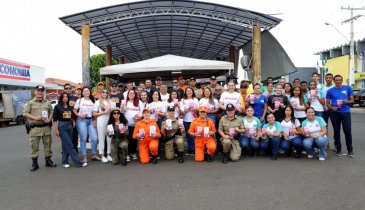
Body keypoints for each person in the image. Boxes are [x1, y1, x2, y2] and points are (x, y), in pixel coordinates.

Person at [23, 85, 56, 171]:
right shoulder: (30, 102)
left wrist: (49, 118)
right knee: (34, 146)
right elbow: (25, 113)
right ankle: (35, 163)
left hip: (46, 127)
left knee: (48, 145)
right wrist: (35, 118)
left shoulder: (47, 102)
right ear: (35, 92)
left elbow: (51, 111)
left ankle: (48, 161)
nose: (40, 92)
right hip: (35, 128)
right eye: (38, 90)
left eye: (41, 91)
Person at [53, 92, 87, 168]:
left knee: (65, 145)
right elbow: (54, 119)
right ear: (61, 98)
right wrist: (56, 129)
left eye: (66, 97)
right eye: (64, 96)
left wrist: (73, 120)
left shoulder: (69, 106)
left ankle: (64, 161)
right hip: (62, 126)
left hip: (69, 126)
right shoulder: (57, 107)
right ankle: (78, 163)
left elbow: (69, 115)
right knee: (69, 145)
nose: (65, 98)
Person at [326, 75, 354, 157]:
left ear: (342, 80)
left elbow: (352, 100)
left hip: (345, 112)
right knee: (336, 131)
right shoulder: (330, 91)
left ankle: (350, 150)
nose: (338, 81)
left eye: (339, 80)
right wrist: (332, 107)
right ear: (334, 81)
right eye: (336, 80)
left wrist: (347, 101)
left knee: (347, 131)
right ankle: (338, 149)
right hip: (334, 113)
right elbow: (327, 103)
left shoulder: (348, 88)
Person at [73, 87, 99, 163]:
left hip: (91, 120)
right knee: (83, 138)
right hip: (81, 121)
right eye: (84, 91)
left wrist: (95, 120)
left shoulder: (93, 100)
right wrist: (79, 115)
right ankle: (84, 156)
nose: (86, 92)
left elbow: (95, 111)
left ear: (90, 92)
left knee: (94, 138)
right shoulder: (79, 100)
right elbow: (74, 110)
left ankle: (94, 155)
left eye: (87, 91)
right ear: (82, 92)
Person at [122, 89, 144, 161]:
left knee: (134, 139)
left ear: (135, 94)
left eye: (133, 93)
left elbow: (142, 112)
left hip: (136, 124)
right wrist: (122, 107)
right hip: (127, 124)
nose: (131, 94)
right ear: (128, 94)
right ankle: (128, 154)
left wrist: (139, 117)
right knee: (128, 139)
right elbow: (122, 111)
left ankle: (133, 152)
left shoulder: (139, 102)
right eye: (130, 93)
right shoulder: (125, 102)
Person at [93, 88, 114, 163]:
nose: (105, 93)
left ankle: (108, 154)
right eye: (103, 92)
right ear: (101, 93)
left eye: (106, 92)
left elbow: (114, 111)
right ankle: (102, 155)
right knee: (101, 137)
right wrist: (104, 112)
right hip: (101, 119)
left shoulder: (111, 101)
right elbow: (94, 114)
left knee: (109, 137)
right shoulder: (97, 102)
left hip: (109, 120)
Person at [179, 87, 199, 156]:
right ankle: (190, 149)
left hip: (194, 119)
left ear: (192, 92)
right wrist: (186, 110)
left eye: (190, 91)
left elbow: (199, 109)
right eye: (187, 91)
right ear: (185, 92)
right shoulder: (182, 100)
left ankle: (195, 148)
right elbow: (181, 111)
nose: (189, 92)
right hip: (186, 119)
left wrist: (194, 109)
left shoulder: (195, 99)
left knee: (195, 135)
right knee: (188, 135)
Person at [65, 83, 81, 152]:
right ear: (64, 89)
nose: (68, 89)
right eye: (66, 88)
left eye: (69, 88)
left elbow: (79, 109)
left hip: (75, 120)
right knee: (67, 138)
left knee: (75, 137)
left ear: (72, 89)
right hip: (66, 121)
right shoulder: (63, 98)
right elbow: (62, 110)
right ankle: (67, 153)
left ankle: (75, 151)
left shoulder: (76, 98)